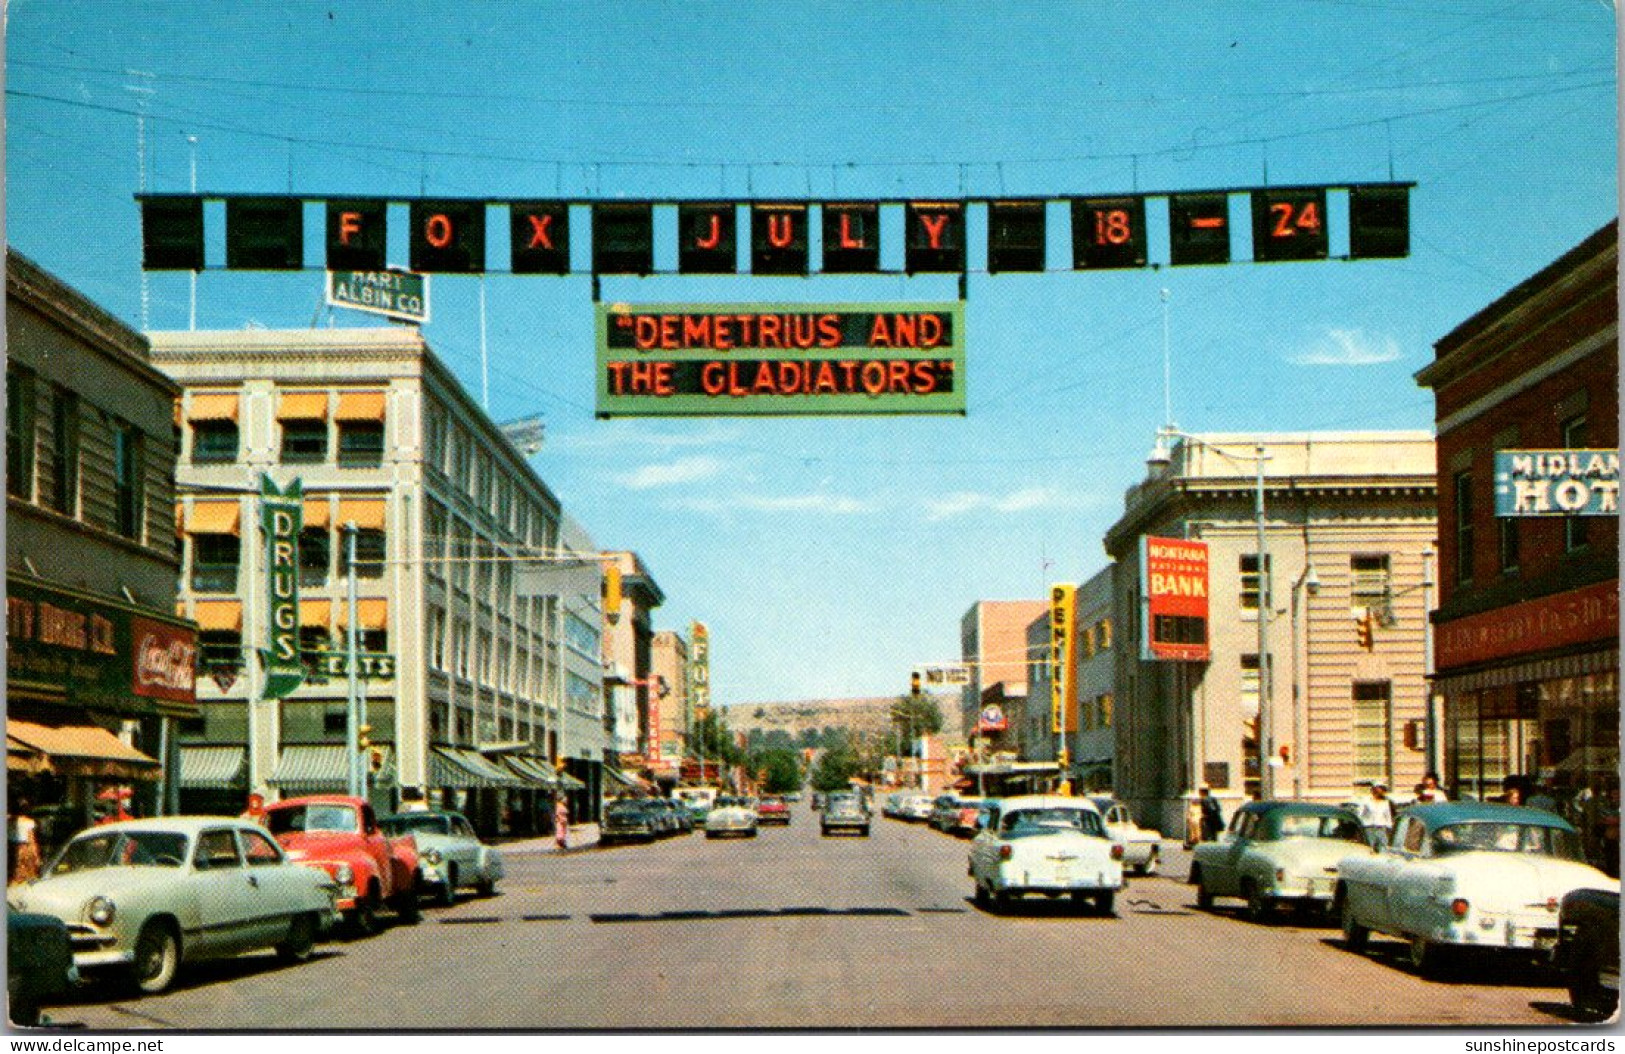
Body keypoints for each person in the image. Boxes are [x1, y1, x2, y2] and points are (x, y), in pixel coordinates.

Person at [9, 799, 41, 886]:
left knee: (14, 874)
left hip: (10, 848)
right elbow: (31, 840)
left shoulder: (9, 822)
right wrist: (36, 856)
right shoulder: (29, 822)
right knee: (27, 874)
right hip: (24, 849)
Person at [1356, 783, 1394, 849]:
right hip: (1369, 828)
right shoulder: (1366, 801)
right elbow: (1360, 814)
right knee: (1369, 848)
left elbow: (1388, 817)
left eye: (1381, 791)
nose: (1379, 793)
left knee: (1383, 848)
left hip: (1381, 828)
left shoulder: (1385, 803)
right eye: (1377, 791)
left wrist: (1389, 828)